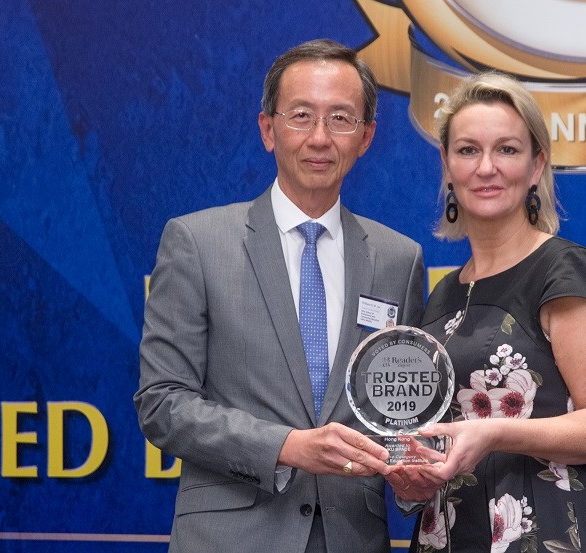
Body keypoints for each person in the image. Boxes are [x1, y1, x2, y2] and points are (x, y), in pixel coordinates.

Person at [134, 39, 424, 553]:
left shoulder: (398, 259)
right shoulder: (197, 242)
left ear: (366, 137)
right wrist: (286, 447)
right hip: (230, 538)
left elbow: (400, 413)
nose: (320, 138)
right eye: (301, 116)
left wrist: (413, 477)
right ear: (268, 129)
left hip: (352, 538)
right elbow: (162, 402)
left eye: (341, 119)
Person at [390, 72, 586, 552]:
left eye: (506, 149)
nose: (486, 168)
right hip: (449, 531)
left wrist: (494, 432)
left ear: (536, 163)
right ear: (446, 164)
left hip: (549, 528)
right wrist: (413, 477)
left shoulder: (563, 269)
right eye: (468, 150)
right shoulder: (443, 294)